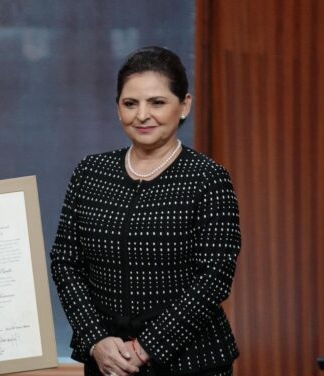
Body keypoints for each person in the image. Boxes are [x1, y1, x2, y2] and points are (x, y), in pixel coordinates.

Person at [50, 46, 240, 376]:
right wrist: (97, 341)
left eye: (157, 102)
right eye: (130, 103)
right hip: (106, 363)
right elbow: (66, 261)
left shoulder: (208, 178)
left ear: (184, 105)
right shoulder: (91, 173)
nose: (142, 115)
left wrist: (146, 347)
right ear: (117, 108)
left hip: (191, 364)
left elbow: (214, 276)